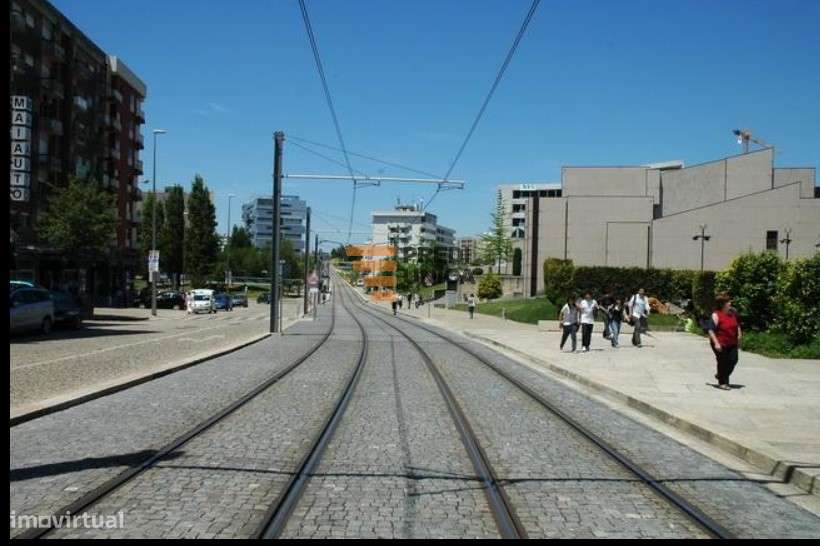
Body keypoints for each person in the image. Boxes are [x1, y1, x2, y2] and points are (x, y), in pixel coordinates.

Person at [707, 294, 742, 390]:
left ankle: (720, 375)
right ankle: (722, 382)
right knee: (723, 362)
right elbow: (710, 330)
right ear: (722, 304)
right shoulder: (716, 315)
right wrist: (716, 343)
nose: (730, 303)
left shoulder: (733, 313)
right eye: (728, 302)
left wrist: (739, 335)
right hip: (720, 343)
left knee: (733, 360)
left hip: (732, 342)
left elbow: (737, 325)